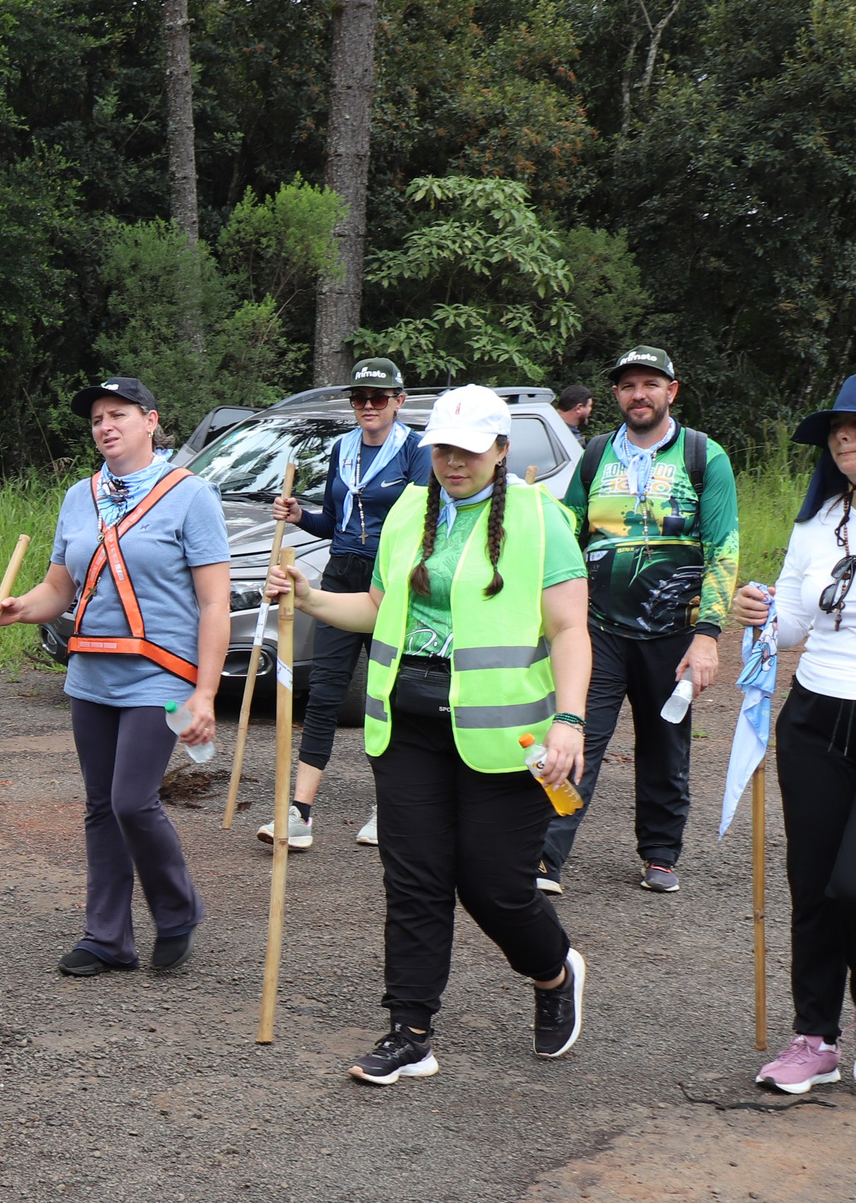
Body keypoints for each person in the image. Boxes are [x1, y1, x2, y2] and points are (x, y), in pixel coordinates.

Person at [263, 385, 592, 1084]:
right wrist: (310, 596)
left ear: (502, 451)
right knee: (414, 882)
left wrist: (570, 719)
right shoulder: (413, 508)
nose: (453, 462)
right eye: (443, 448)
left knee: (495, 887)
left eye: (469, 451)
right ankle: (410, 1031)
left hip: (508, 738)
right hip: (408, 725)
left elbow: (569, 630)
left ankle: (553, 971)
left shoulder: (542, 520)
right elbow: (382, 606)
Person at [0, 376, 229, 975]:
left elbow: (215, 603)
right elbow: (58, 588)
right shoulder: (79, 496)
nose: (105, 426)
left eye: (117, 414)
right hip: (90, 670)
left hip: (162, 674)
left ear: (151, 420)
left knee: (131, 801)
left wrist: (206, 693)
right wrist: (20, 607)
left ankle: (177, 909)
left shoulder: (192, 495)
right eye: (96, 419)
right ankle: (107, 938)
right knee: (100, 805)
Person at [538, 344, 740, 894]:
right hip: (597, 627)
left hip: (673, 633)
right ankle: (545, 857)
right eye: (628, 386)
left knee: (665, 750)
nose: (638, 394)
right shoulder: (597, 454)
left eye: (650, 384)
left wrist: (707, 637)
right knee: (575, 736)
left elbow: (723, 548)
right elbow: (568, 527)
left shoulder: (704, 456)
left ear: (671, 392)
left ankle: (660, 854)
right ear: (616, 396)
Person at [731, 374, 856, 1094]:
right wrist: (759, 609)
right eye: (836, 428)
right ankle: (815, 1035)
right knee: (811, 883)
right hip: (814, 718)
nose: (843, 437)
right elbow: (790, 628)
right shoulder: (818, 524)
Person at [260, 356, 431, 850]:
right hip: (340, 573)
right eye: (360, 398)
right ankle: (299, 813)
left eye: (380, 398)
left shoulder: (417, 452)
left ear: (400, 401)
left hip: (391, 582)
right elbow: (333, 519)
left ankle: (389, 807)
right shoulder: (343, 448)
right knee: (326, 695)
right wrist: (299, 515)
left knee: (388, 697)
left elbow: (422, 521)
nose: (369, 406)